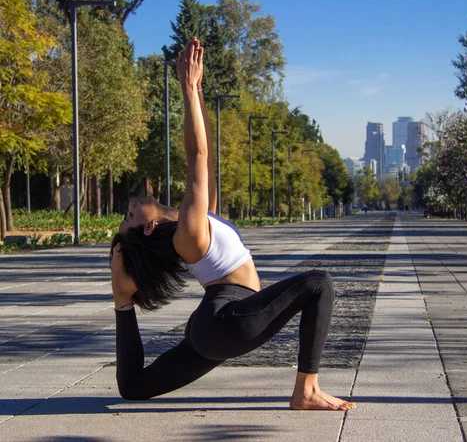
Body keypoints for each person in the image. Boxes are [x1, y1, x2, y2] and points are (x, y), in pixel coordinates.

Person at [109, 38, 355, 411]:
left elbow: (206, 160)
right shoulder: (187, 233)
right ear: (147, 229)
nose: (132, 205)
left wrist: (197, 88)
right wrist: (187, 90)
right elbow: (195, 155)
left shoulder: (197, 219)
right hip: (225, 321)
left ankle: (123, 303)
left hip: (216, 326)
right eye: (131, 216)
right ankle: (306, 390)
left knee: (134, 387)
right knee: (318, 283)